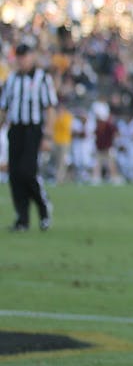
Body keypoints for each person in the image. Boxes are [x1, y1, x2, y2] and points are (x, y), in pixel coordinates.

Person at [1, 37, 57, 232]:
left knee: (27, 171)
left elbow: (50, 108)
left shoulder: (42, 78)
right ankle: (22, 218)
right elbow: (3, 108)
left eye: (25, 56)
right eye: (19, 57)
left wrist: (48, 135)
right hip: (15, 129)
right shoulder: (11, 80)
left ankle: (43, 208)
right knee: (15, 175)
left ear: (32, 57)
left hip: (32, 129)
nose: (22, 60)